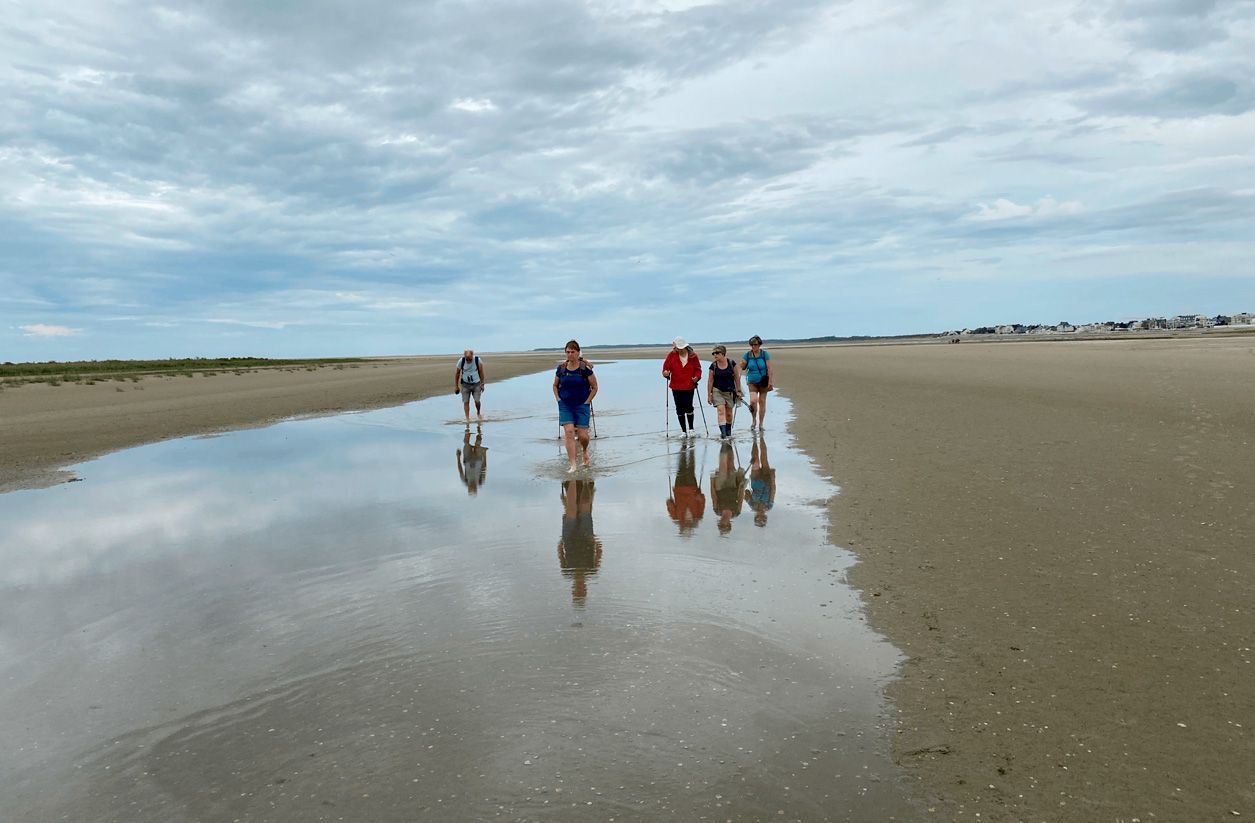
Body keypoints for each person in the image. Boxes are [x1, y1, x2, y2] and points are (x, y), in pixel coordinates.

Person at [553, 340, 598, 473]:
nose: (570, 354)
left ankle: (584, 451)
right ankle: (573, 464)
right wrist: (558, 399)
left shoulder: (585, 369)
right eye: (567, 352)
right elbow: (555, 385)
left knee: (583, 436)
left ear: (578, 352)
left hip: (582, 405)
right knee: (569, 432)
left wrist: (587, 402)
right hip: (565, 405)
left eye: (573, 352)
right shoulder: (561, 368)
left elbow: (595, 387)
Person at [557, 479, 602, 606]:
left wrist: (561, 543)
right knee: (585, 509)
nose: (580, 588)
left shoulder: (567, 572)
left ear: (573, 590)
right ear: (585, 589)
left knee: (571, 512)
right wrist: (596, 542)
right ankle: (586, 484)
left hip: (569, 538)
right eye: (581, 591)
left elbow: (560, 555)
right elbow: (599, 553)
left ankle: (572, 479)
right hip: (587, 537)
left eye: (578, 591)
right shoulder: (592, 571)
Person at [662, 336, 702, 437]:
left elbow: (698, 369)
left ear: (682, 347)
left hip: (689, 385)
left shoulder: (693, 356)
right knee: (679, 408)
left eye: (676, 347)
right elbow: (666, 368)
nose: (674, 349)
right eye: (674, 347)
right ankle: (683, 431)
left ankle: (691, 429)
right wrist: (666, 373)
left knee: (689, 407)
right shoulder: (672, 355)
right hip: (676, 386)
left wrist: (697, 377)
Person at [665, 439, 705, 534]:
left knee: (681, 469)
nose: (687, 522)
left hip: (679, 488)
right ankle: (690, 451)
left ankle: (683, 450)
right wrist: (700, 497)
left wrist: (670, 503)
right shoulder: (698, 515)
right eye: (688, 525)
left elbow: (669, 505)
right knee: (690, 468)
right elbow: (702, 502)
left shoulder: (676, 517)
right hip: (692, 488)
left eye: (686, 526)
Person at [709, 442, 747, 535]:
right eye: (724, 525)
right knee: (730, 465)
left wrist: (712, 480)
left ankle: (724, 445)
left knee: (723, 467)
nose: (722, 523)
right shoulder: (736, 512)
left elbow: (713, 496)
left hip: (720, 487)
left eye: (720, 525)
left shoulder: (717, 511)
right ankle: (728, 444)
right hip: (732, 486)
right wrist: (742, 486)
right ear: (729, 524)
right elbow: (740, 499)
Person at [706, 344, 742, 440]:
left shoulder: (731, 363)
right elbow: (710, 381)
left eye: (717, 353)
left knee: (729, 413)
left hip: (730, 391)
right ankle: (723, 434)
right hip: (717, 390)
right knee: (721, 410)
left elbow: (737, 378)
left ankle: (728, 432)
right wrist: (709, 395)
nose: (715, 355)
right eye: (713, 353)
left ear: (723, 353)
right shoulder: (713, 366)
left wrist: (738, 391)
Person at [740, 335, 773, 430]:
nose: (753, 347)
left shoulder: (764, 354)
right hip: (752, 381)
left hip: (763, 381)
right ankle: (754, 420)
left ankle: (761, 424)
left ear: (759, 345)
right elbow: (742, 366)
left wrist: (770, 381)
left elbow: (769, 368)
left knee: (762, 402)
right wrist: (742, 364)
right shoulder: (748, 355)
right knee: (753, 401)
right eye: (752, 345)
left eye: (755, 344)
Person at [744, 433, 776, 527]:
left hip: (755, 479)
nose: (760, 515)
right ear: (765, 517)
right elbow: (773, 490)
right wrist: (773, 478)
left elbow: (746, 492)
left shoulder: (752, 505)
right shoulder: (769, 506)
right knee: (764, 457)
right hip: (767, 479)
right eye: (762, 518)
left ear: (756, 517)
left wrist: (744, 496)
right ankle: (761, 437)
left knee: (755, 459)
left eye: (758, 517)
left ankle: (754, 439)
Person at [453, 349, 486, 425]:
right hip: (465, 384)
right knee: (466, 402)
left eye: (469, 359)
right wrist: (456, 386)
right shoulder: (461, 361)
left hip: (476, 384)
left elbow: (481, 372)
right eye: (466, 359)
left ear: (472, 355)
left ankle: (478, 413)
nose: (468, 360)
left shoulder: (478, 360)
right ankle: (467, 418)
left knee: (477, 400)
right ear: (464, 356)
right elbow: (457, 373)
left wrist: (482, 384)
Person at [455, 428, 488, 496]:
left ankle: (467, 427)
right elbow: (484, 468)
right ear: (476, 488)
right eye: (472, 488)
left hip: (467, 458)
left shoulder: (465, 481)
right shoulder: (480, 482)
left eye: (470, 488)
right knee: (478, 443)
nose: (471, 486)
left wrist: (458, 457)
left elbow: (460, 470)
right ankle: (479, 428)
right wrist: (484, 454)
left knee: (466, 442)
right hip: (478, 458)